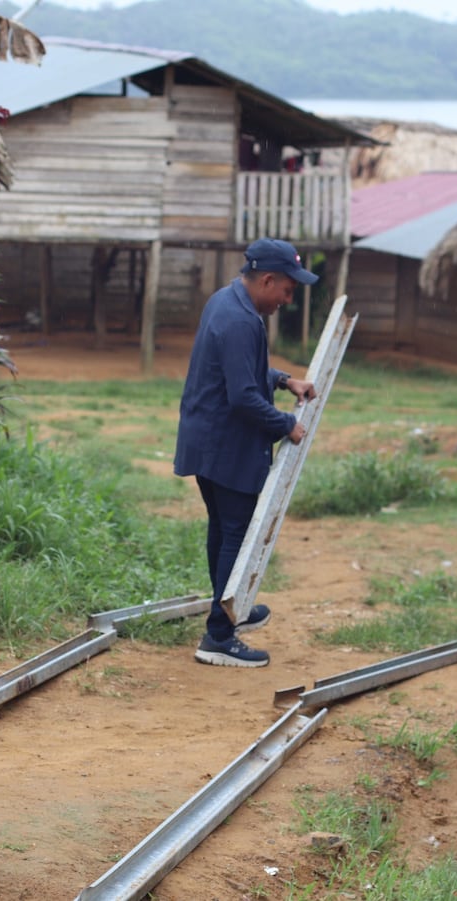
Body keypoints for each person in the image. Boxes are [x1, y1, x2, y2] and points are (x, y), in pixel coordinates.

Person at [174, 238, 318, 668]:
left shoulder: (226, 300)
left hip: (206, 439)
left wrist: (283, 380)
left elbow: (241, 369)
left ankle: (228, 605)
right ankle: (219, 633)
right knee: (235, 536)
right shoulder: (242, 320)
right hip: (226, 444)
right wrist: (286, 424)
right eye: (287, 291)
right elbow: (241, 397)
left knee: (223, 528)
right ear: (268, 279)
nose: (286, 301)